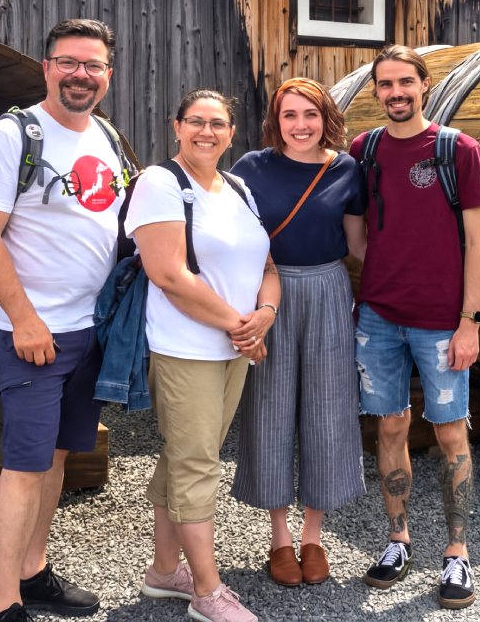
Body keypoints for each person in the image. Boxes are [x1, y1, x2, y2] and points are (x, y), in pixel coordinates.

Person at [0, 19, 126, 622]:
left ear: (108, 75)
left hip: (91, 329)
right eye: (69, 63)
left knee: (57, 458)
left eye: (93, 66)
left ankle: (34, 572)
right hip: (36, 332)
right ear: (46, 66)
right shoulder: (10, 137)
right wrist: (26, 320)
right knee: (25, 465)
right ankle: (4, 604)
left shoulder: (105, 135)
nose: (81, 75)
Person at [127, 89, 280, 622]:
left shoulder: (237, 186)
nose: (206, 132)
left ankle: (165, 571)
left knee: (186, 456)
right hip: (187, 348)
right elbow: (168, 273)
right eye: (196, 121)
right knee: (198, 464)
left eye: (217, 123)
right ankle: (207, 593)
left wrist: (265, 312)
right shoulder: (160, 183)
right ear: (177, 126)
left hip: (234, 347)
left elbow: (267, 265)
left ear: (231, 132)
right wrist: (242, 327)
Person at [350, 44, 480, 610]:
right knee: (389, 428)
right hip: (379, 317)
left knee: (451, 432)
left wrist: (470, 322)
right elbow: (355, 232)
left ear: (424, 84)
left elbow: (478, 241)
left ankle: (456, 554)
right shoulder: (366, 149)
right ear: (377, 91)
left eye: (405, 82)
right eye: (385, 84)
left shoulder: (459, 150)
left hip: (441, 323)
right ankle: (398, 541)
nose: (396, 93)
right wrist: (381, 272)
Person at [230, 78, 368, 587]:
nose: (301, 125)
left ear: (325, 116)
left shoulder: (346, 169)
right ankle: (279, 540)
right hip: (269, 291)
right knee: (268, 407)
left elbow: (358, 244)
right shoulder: (250, 168)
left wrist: (416, 280)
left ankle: (313, 536)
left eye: (310, 114)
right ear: (276, 121)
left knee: (329, 409)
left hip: (329, 287)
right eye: (290, 115)